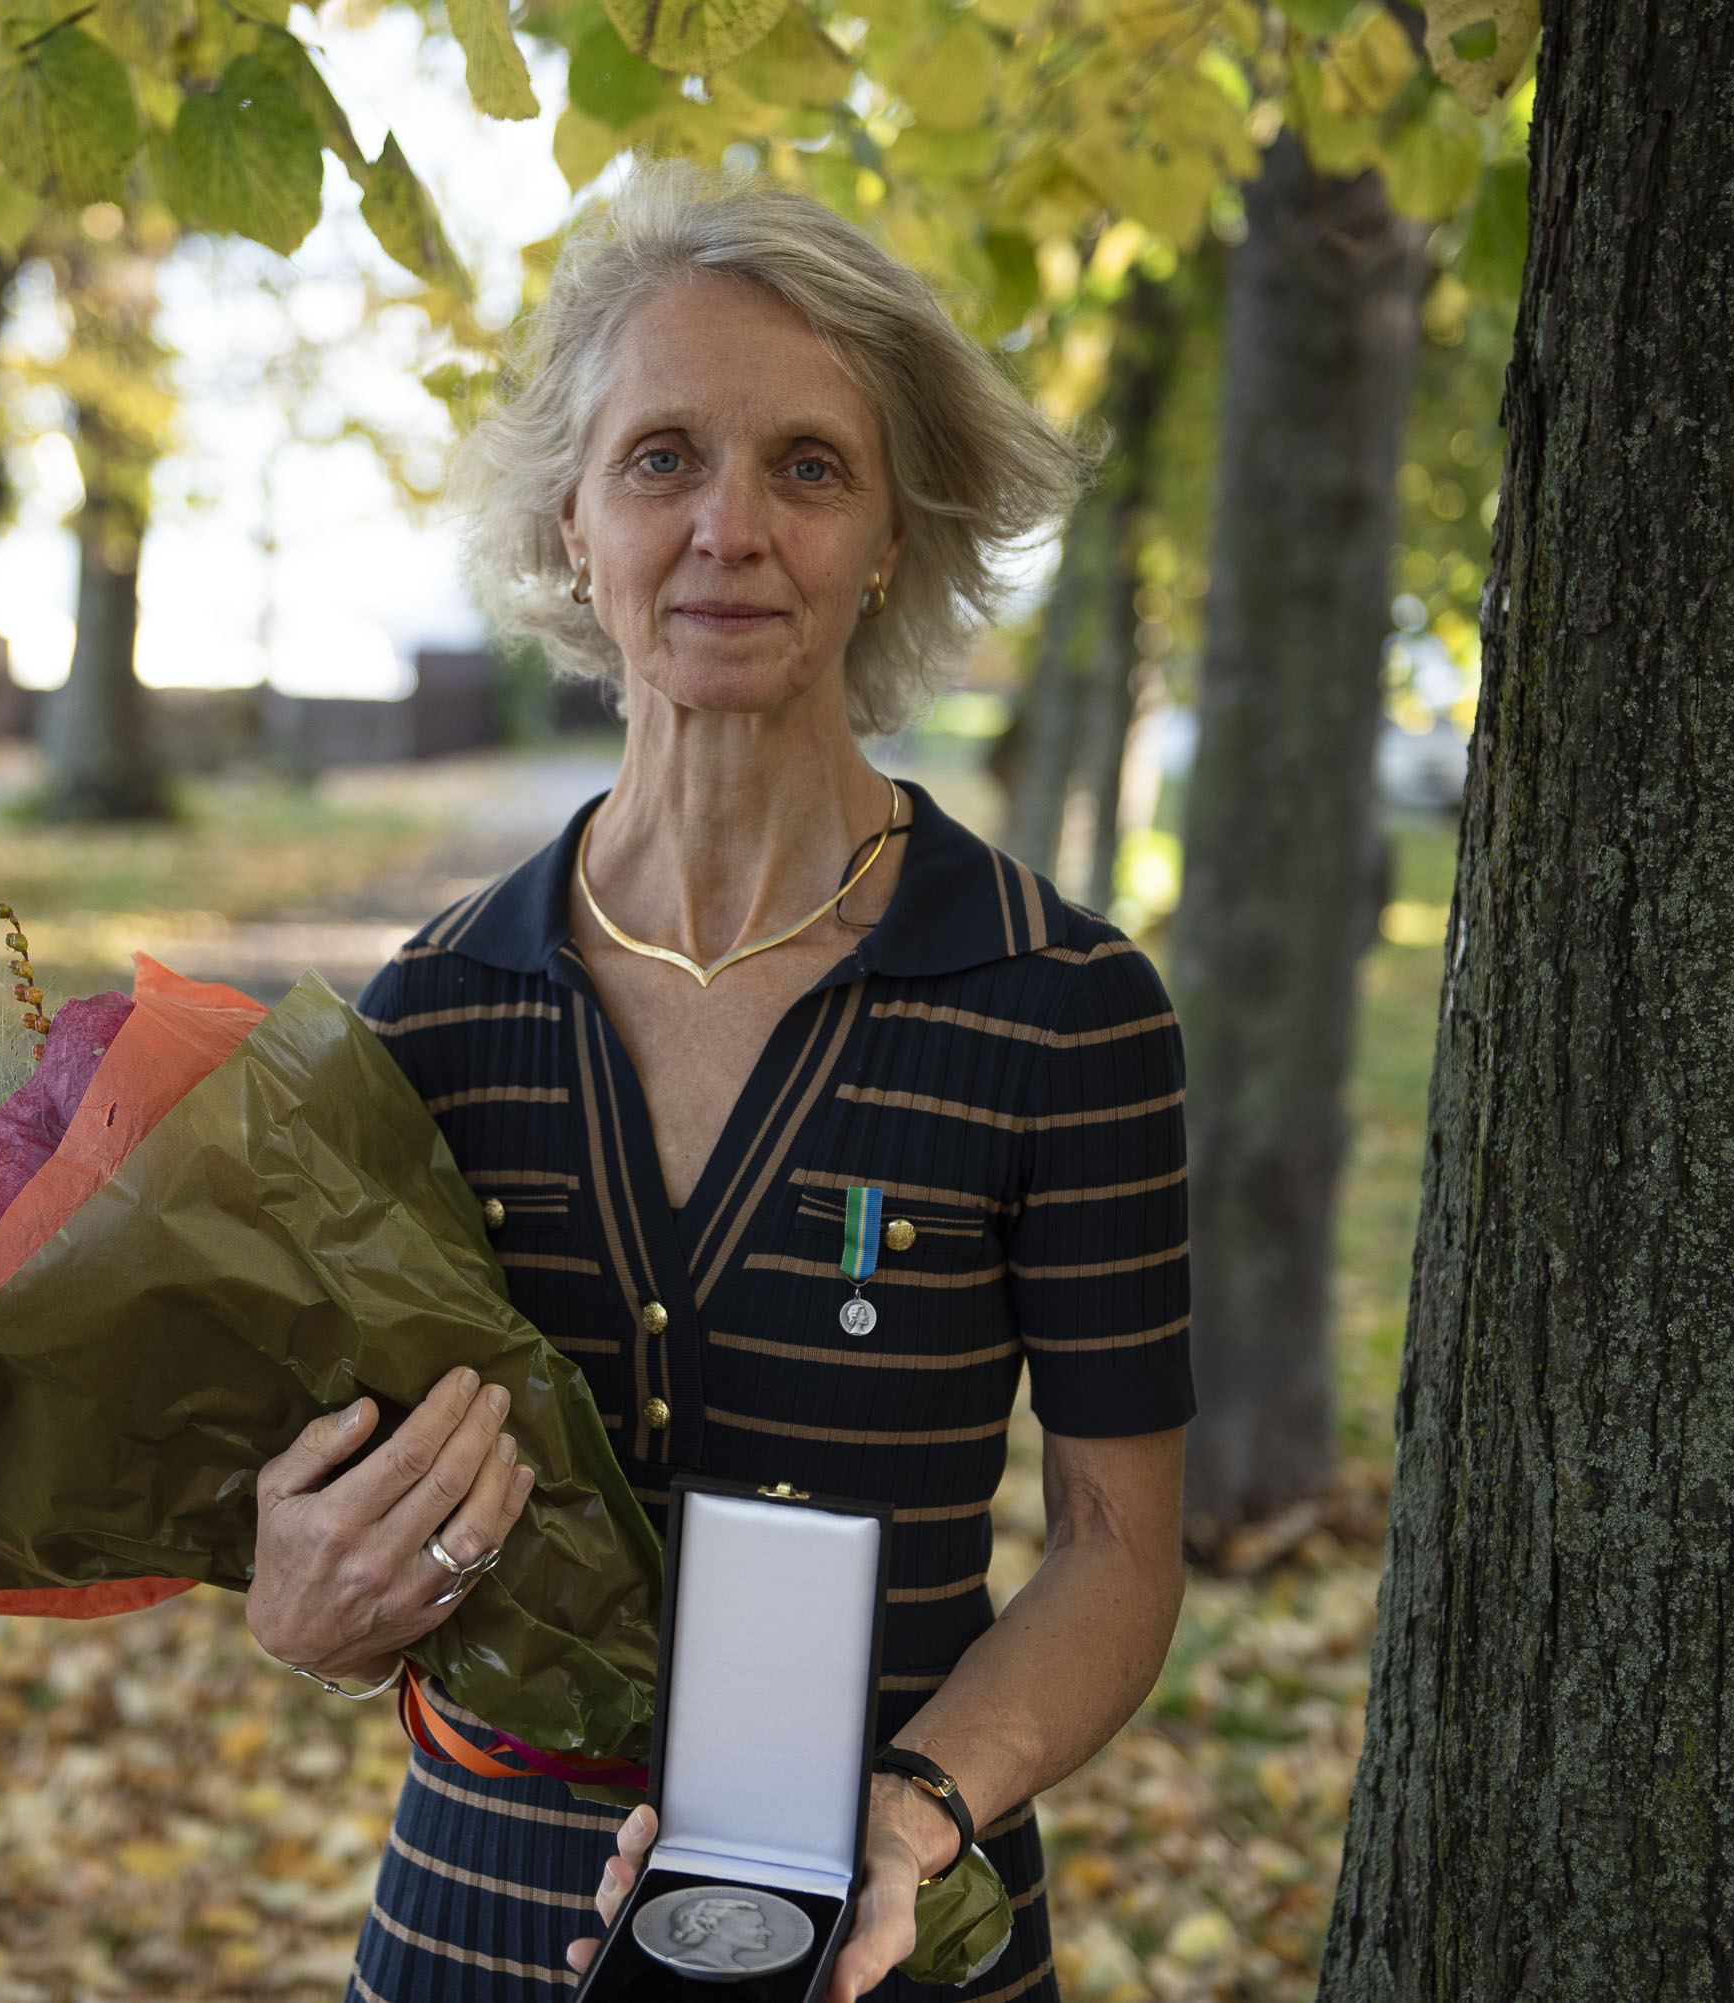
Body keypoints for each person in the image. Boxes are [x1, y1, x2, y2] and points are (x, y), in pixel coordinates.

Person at [244, 163, 1192, 2003]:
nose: (730, 527)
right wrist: (304, 1605)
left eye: (810, 466)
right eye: (663, 457)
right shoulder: (425, 1018)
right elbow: (334, 1521)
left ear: (893, 532)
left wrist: (909, 1819)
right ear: (572, 527)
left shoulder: (1067, 1009)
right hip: (476, 1921)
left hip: (891, 1927)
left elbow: (1112, 1555)